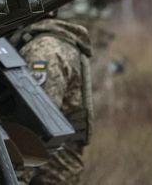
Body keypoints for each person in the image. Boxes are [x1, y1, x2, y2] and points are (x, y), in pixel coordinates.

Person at [9, 18, 93, 185]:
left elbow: (37, 125)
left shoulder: (45, 50)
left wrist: (16, 179)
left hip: (47, 172)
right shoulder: (50, 43)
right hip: (50, 168)